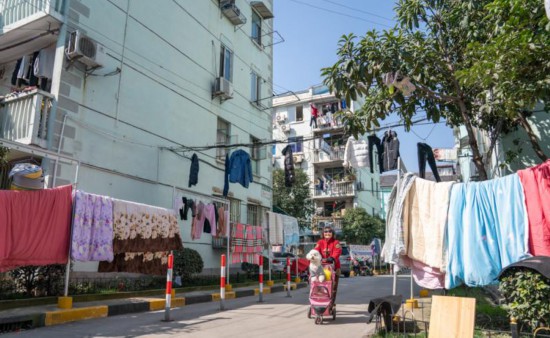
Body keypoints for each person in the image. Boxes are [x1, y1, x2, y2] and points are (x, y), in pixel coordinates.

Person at [314, 225, 342, 301]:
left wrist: (332, 257)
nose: (327, 233)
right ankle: (320, 300)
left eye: (330, 231)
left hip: (334, 266)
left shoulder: (336, 242)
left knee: (333, 285)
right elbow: (316, 251)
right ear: (323, 233)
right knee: (319, 283)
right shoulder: (320, 242)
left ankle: (332, 302)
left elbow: (338, 251)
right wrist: (315, 257)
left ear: (332, 233)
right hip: (321, 266)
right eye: (325, 231)